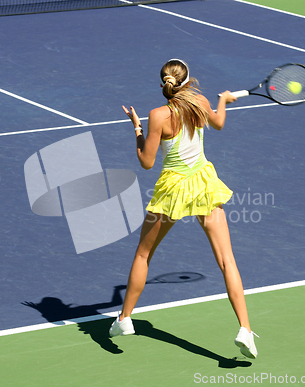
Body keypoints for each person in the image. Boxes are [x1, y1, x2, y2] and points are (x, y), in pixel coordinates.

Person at [109, 58, 258, 359]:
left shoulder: (158, 115)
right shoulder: (200, 102)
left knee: (143, 253)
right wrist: (222, 100)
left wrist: (138, 130)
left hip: (173, 190)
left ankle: (124, 319)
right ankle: (245, 328)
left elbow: (147, 162)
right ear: (188, 82)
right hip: (203, 182)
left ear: (164, 84)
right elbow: (219, 123)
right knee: (227, 259)